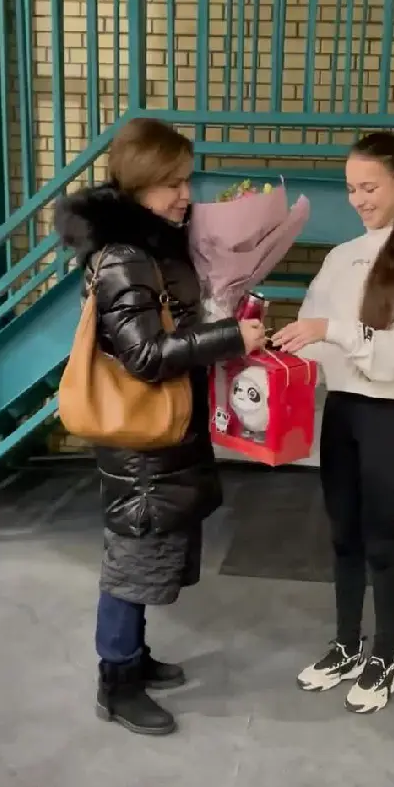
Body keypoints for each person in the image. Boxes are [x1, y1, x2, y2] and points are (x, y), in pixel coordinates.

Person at [55, 118, 266, 736]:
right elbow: (145, 356)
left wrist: (228, 316)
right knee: (132, 561)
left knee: (148, 556)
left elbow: (172, 325)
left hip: (163, 437)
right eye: (172, 183)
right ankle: (116, 681)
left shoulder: (150, 249)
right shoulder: (124, 257)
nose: (185, 195)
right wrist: (229, 337)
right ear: (140, 182)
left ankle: (135, 657)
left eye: (187, 180)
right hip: (141, 444)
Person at [273, 131, 394, 715]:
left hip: (387, 415)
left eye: (369, 187)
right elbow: (310, 331)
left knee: (379, 541)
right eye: (351, 189)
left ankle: (384, 657)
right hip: (341, 410)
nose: (359, 200)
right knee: (343, 535)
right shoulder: (339, 257)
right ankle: (347, 646)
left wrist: (334, 331)